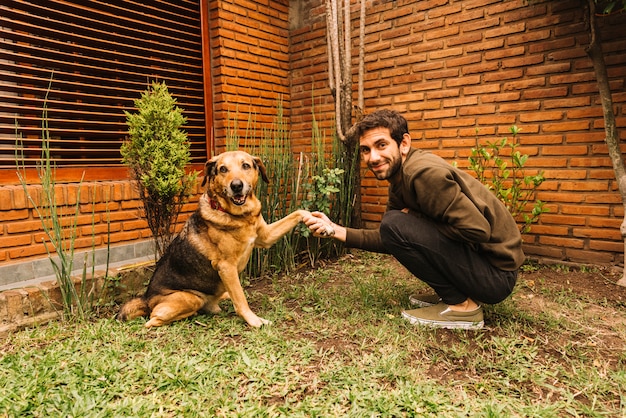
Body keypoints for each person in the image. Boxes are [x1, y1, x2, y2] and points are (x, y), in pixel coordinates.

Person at [303, 109, 524, 330]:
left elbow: (478, 230)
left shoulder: (423, 174)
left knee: (394, 222)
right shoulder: (400, 177)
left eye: (381, 145)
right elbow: (391, 237)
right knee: (394, 223)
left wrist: (417, 218)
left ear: (404, 143)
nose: (373, 157)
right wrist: (336, 230)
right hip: (484, 267)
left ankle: (462, 307)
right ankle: (457, 296)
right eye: (365, 150)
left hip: (496, 276)